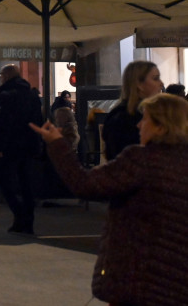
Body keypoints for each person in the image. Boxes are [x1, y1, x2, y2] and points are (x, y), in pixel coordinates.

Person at [31, 93, 188, 306]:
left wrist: (57, 145)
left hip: (139, 276)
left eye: (146, 119)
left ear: (162, 126)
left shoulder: (142, 160)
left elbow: (85, 184)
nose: (139, 125)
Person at [0, 64, 43, 234]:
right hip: (28, 144)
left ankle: (19, 214)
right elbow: (38, 120)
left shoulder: (7, 96)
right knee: (25, 182)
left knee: (0, 178)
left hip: (11, 144)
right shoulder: (31, 95)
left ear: (5, 76)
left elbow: (3, 124)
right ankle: (27, 221)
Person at [102, 61, 163, 161]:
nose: (161, 83)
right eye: (155, 78)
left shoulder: (147, 112)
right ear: (139, 84)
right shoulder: (121, 119)